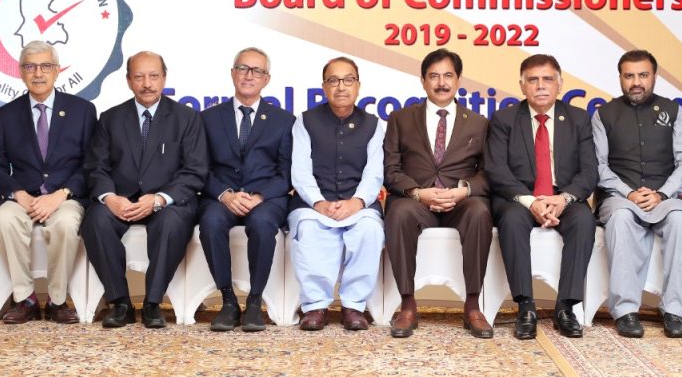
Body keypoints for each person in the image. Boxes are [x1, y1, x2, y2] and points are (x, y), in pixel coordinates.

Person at [82, 52, 208, 329]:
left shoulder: (186, 118)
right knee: (96, 220)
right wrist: (110, 198)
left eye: (153, 76)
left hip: (167, 202)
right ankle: (120, 302)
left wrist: (160, 198)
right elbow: (96, 167)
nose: (147, 84)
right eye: (139, 77)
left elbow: (195, 170)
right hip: (122, 200)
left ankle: (153, 303)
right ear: (129, 80)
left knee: (171, 223)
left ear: (164, 78)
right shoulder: (111, 118)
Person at [485, 54, 597, 339]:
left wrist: (564, 199)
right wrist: (531, 202)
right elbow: (497, 170)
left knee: (584, 220)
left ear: (560, 84)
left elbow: (589, 172)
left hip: (563, 198)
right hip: (519, 199)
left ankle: (566, 307)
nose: (541, 86)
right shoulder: (504, 119)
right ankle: (525, 307)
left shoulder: (579, 119)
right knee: (511, 221)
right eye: (533, 80)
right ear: (522, 86)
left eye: (548, 79)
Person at [383, 50, 494, 338]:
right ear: (422, 81)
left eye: (448, 76)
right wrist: (418, 193)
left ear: (458, 80)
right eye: (434, 76)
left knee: (480, 211)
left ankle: (472, 304)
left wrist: (462, 191)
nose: (441, 83)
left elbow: (488, 173)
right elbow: (391, 169)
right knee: (398, 211)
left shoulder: (479, 123)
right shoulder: (400, 119)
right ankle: (408, 303)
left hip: (460, 202)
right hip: (417, 201)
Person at [0, 40, 97, 324]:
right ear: (21, 71)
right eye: (31, 67)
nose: (38, 73)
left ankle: (57, 301)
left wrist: (61, 194)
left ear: (57, 70)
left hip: (66, 196)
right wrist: (17, 193)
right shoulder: (7, 114)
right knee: (4, 221)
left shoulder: (82, 110)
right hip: (22, 197)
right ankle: (26, 299)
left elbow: (92, 164)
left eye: (46, 66)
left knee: (66, 224)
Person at [592, 50, 682, 338]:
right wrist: (628, 193)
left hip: (665, 197)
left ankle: (674, 310)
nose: (636, 82)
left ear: (654, 77)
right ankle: (626, 311)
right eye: (629, 76)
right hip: (619, 197)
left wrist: (662, 193)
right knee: (622, 218)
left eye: (643, 75)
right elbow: (598, 166)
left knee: (679, 220)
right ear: (620, 78)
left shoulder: (674, 112)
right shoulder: (603, 115)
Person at [198, 47, 294, 331]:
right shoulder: (208, 118)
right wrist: (225, 195)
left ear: (266, 79)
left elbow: (287, 173)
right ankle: (228, 301)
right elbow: (199, 168)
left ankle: (254, 302)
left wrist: (260, 197)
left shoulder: (283, 120)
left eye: (257, 71)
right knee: (211, 222)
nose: (249, 76)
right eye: (243, 68)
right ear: (232, 73)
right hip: (222, 196)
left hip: (265, 199)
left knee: (263, 224)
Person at [288, 56, 385, 331]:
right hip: (313, 203)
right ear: (323, 87)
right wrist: (318, 202)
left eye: (348, 80)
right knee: (309, 228)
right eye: (333, 80)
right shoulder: (305, 121)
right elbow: (300, 170)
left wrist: (357, 202)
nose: (341, 86)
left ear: (358, 85)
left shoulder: (372, 124)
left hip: (358, 203)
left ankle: (354, 306)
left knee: (369, 230)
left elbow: (375, 172)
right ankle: (315, 306)